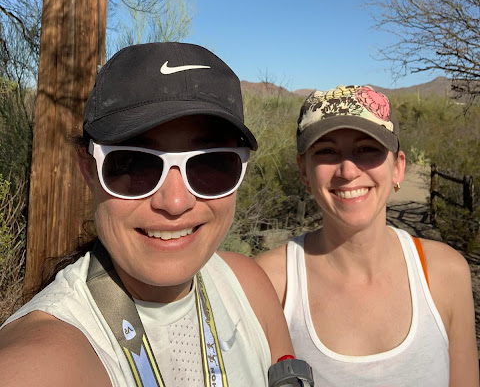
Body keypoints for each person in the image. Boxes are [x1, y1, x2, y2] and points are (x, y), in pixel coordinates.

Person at [0, 42, 295, 387]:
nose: (174, 202)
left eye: (210, 163)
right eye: (134, 163)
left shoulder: (249, 287)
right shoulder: (42, 360)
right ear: (88, 168)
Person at [256, 84, 479, 387]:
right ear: (304, 172)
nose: (348, 170)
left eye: (367, 149)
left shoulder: (445, 273)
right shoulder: (267, 283)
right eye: (326, 151)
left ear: (398, 167)